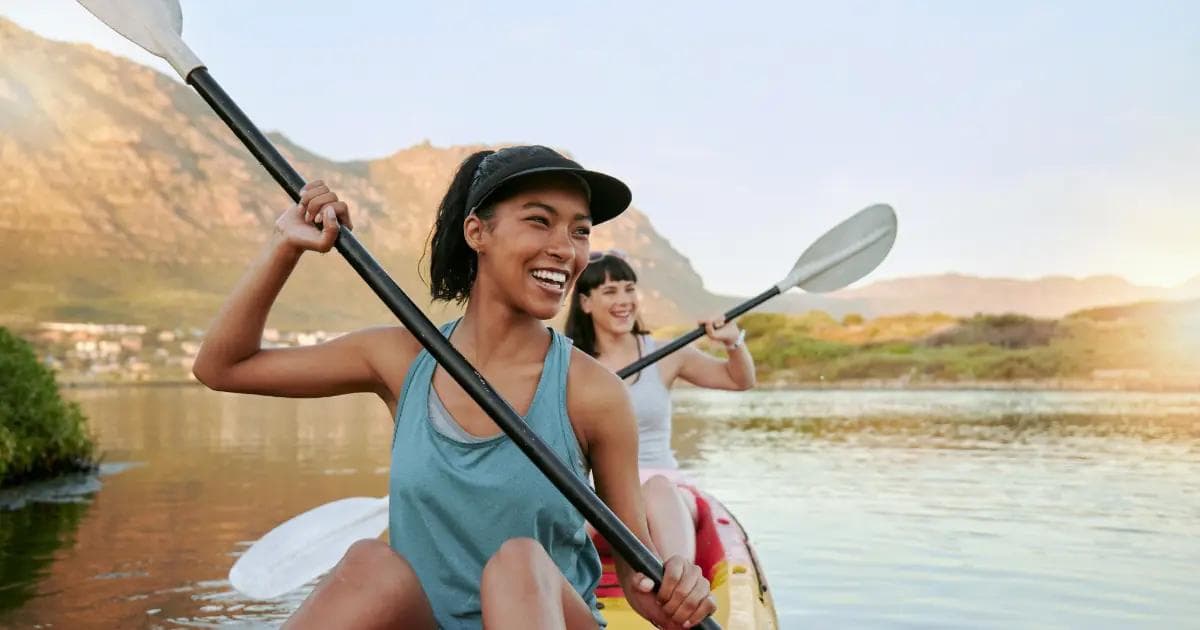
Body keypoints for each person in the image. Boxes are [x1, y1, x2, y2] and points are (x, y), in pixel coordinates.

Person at [192, 145, 716, 630]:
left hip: (548, 616)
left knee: (518, 562)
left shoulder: (593, 391)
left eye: (580, 231)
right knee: (371, 563)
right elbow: (223, 367)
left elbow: (638, 576)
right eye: (539, 221)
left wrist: (673, 590)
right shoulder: (400, 358)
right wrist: (286, 245)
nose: (564, 249)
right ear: (476, 232)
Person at [564, 252, 756, 563]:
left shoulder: (667, 354)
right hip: (600, 497)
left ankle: (678, 580)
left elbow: (738, 380)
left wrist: (733, 342)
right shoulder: (570, 365)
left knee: (656, 490)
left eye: (629, 289)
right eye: (610, 292)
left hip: (666, 492)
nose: (623, 300)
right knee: (577, 505)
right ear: (585, 303)